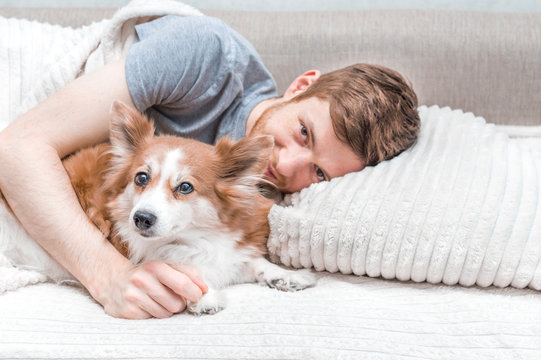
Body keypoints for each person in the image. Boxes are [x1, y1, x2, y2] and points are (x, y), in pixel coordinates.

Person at [0, 15, 419, 319]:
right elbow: (17, 148)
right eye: (305, 132)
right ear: (302, 85)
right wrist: (108, 276)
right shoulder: (206, 57)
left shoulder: (261, 196)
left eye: (320, 173)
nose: (286, 164)